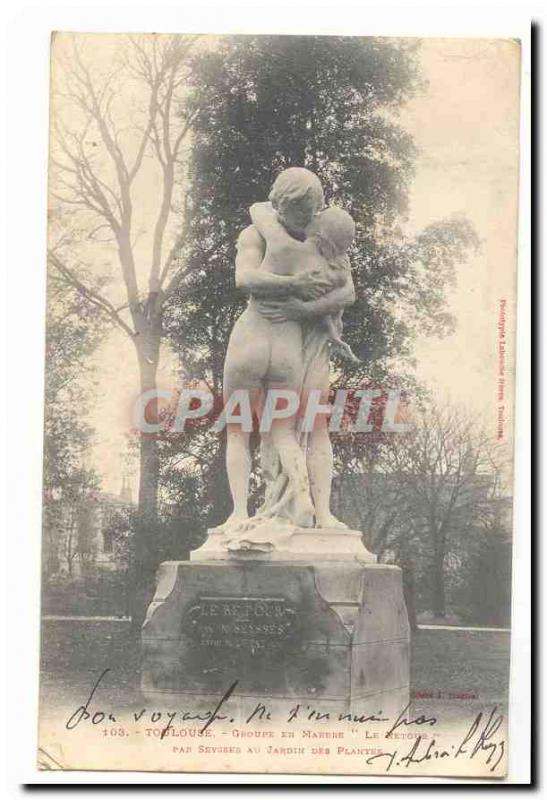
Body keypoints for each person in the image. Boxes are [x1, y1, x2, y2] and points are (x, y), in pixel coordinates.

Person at [221, 167, 355, 535]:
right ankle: (298, 504)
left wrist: (301, 305)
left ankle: (249, 512)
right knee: (288, 429)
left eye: (310, 210)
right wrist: (299, 292)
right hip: (288, 345)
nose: (307, 217)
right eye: (300, 210)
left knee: (245, 428)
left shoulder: (286, 235)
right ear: (283, 204)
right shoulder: (319, 245)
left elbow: (245, 277)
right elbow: (344, 289)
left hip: (273, 338)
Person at [249, 200, 360, 364]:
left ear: (322, 232)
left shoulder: (298, 249)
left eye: (319, 216)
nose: (314, 216)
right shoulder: (334, 261)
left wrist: (304, 310)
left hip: (308, 334)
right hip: (308, 330)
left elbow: (349, 294)